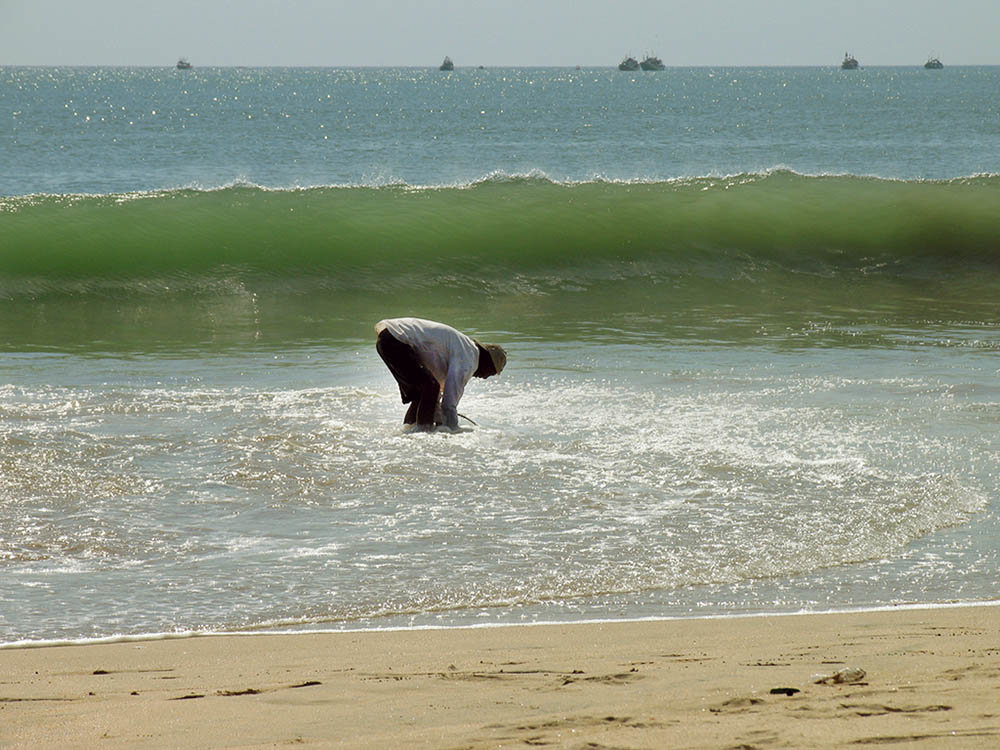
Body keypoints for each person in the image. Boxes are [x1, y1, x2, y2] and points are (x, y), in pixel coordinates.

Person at [375, 317, 506, 431]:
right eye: (491, 372)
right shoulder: (469, 357)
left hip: (388, 337)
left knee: (424, 392)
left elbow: (437, 399)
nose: (485, 377)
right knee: (430, 387)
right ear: (487, 362)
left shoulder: (464, 348)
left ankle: (408, 432)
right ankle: (423, 435)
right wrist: (453, 430)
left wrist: (439, 420)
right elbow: (449, 404)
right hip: (396, 339)